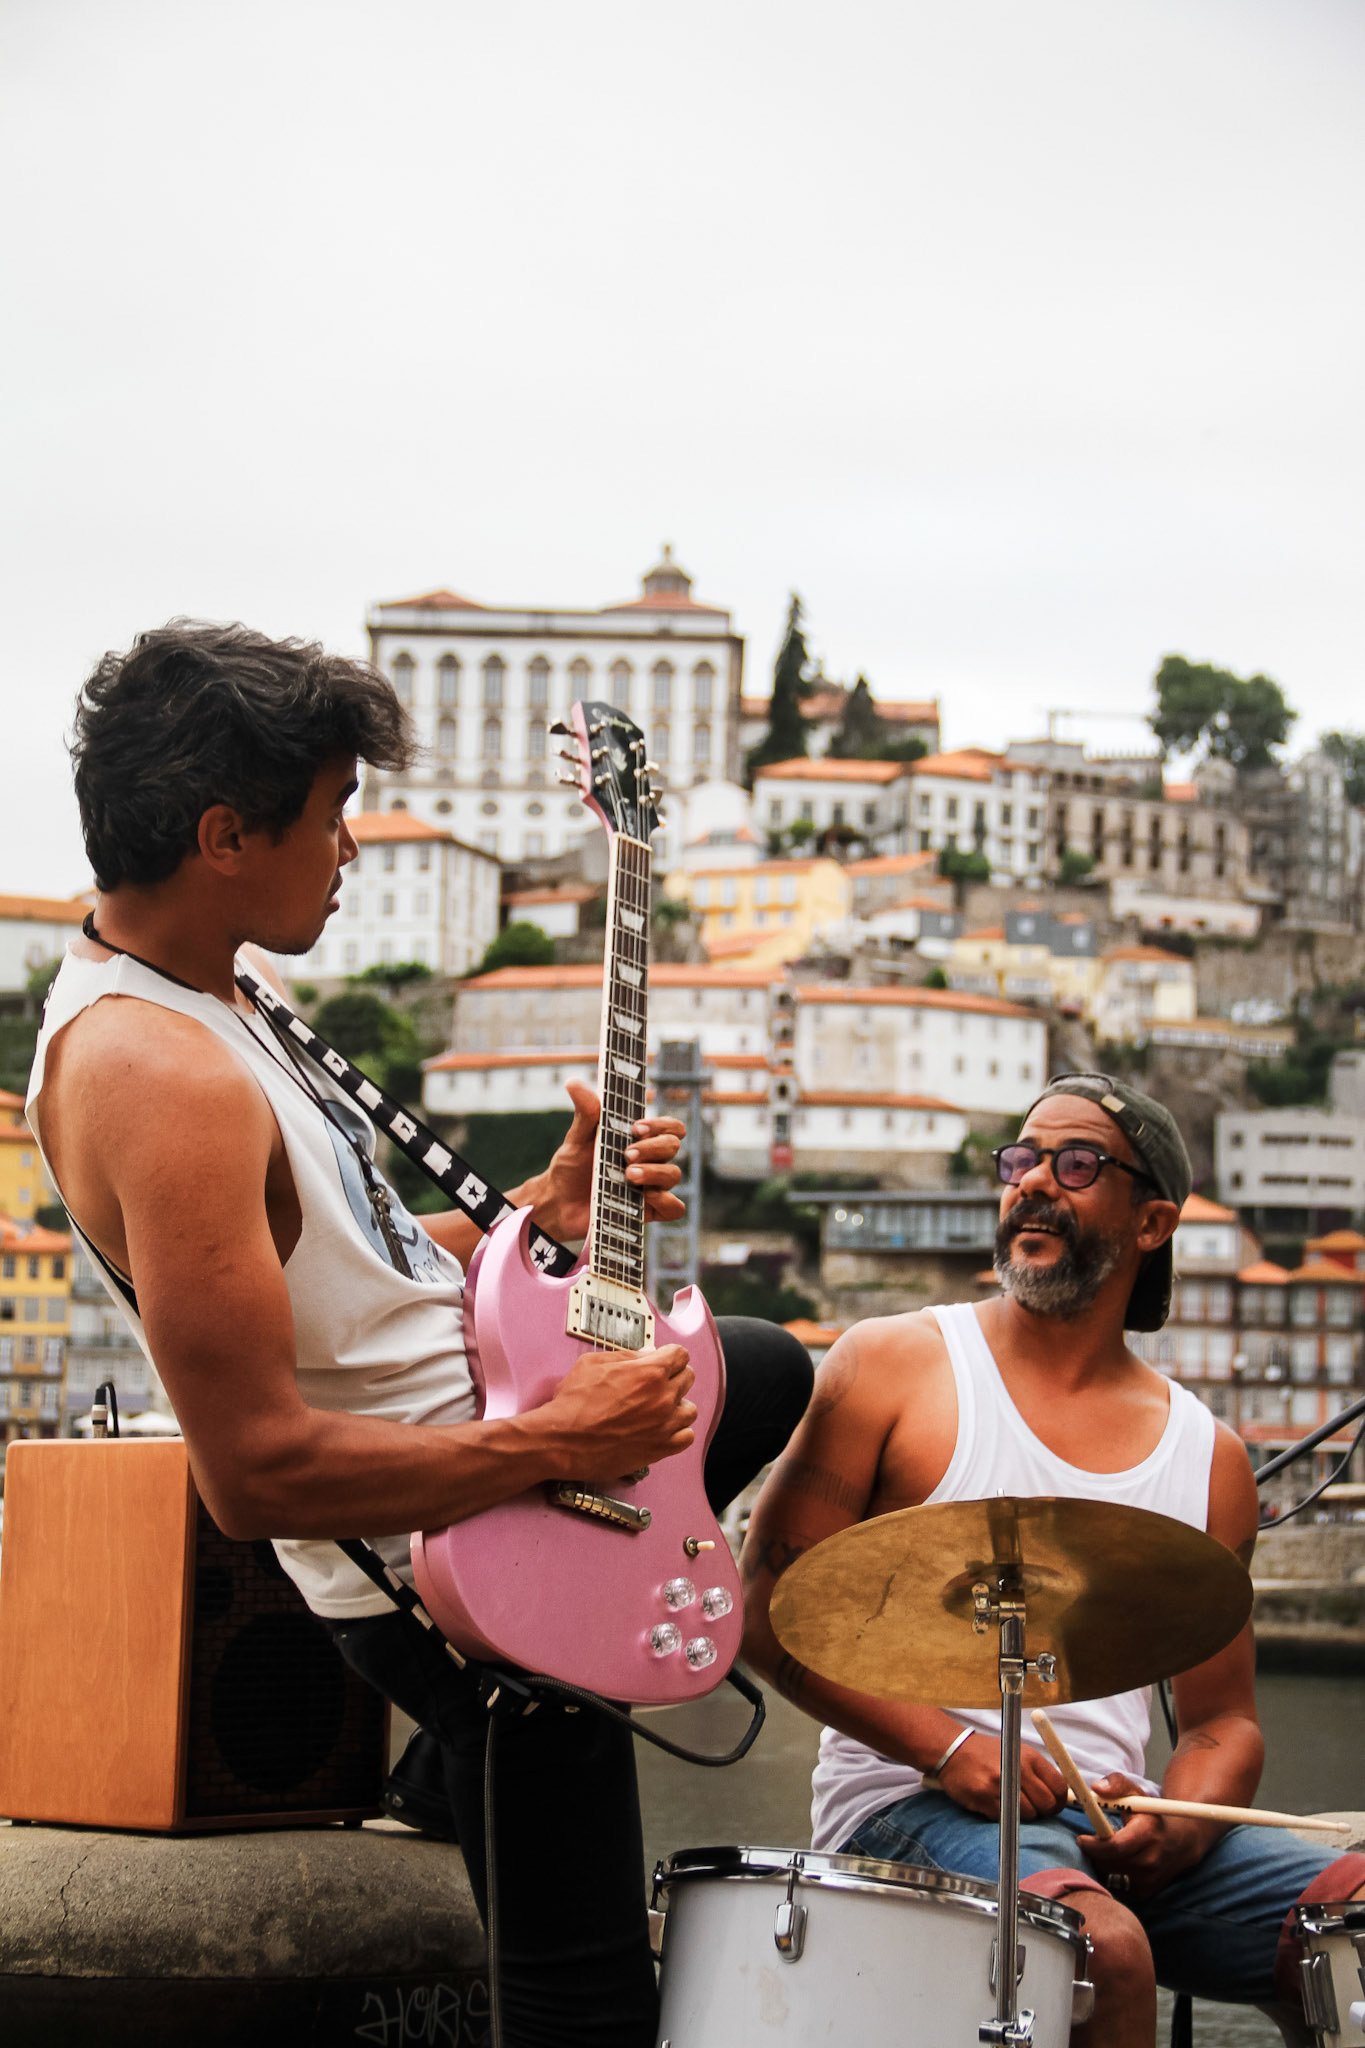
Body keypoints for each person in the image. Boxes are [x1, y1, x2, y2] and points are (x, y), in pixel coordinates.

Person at [27, 620, 812, 2048]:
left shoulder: (223, 989)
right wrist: (554, 1444)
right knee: (587, 1998)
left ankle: (452, 1777)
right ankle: (483, 1723)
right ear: (223, 835)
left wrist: (534, 1210)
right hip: (445, 1562)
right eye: (332, 815)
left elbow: (350, 1262)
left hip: (494, 1442)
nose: (351, 849)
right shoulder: (156, 1073)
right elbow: (255, 1475)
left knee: (757, 1367)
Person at [742, 1075, 1365, 2045]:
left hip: (1106, 1833)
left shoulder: (1209, 1460)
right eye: (1021, 1159)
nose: (1033, 1181)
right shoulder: (888, 1366)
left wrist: (1184, 1821)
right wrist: (952, 1750)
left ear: (1153, 1221)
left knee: (1354, 1913)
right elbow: (762, 1609)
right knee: (1096, 1947)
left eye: (1075, 1164)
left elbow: (1224, 1720)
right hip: (906, 1803)